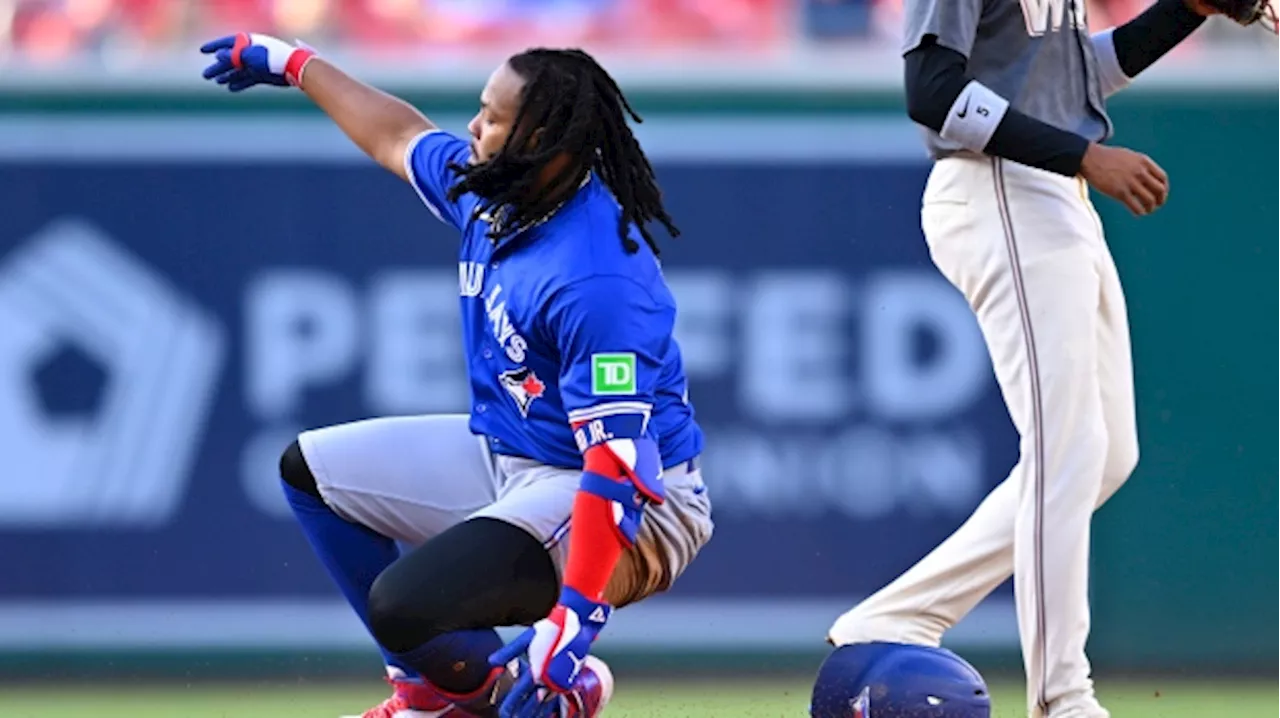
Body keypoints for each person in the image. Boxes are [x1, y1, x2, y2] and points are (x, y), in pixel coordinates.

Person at [199, 33, 713, 718]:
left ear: (542, 138)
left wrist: (575, 617)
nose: (474, 128)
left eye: (493, 116)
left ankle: (564, 690)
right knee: (311, 472)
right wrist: (296, 64)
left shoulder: (595, 275)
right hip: (518, 456)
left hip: (636, 508)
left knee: (405, 604)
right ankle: (441, 694)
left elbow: (617, 464)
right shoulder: (494, 192)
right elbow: (397, 135)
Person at [822, 0, 1238, 716]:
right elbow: (931, 91)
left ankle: (893, 618)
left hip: (1053, 194)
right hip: (999, 186)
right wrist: (1083, 155)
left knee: (1106, 456)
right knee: (1065, 449)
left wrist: (1185, 11)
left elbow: (1076, 82)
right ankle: (1062, 697)